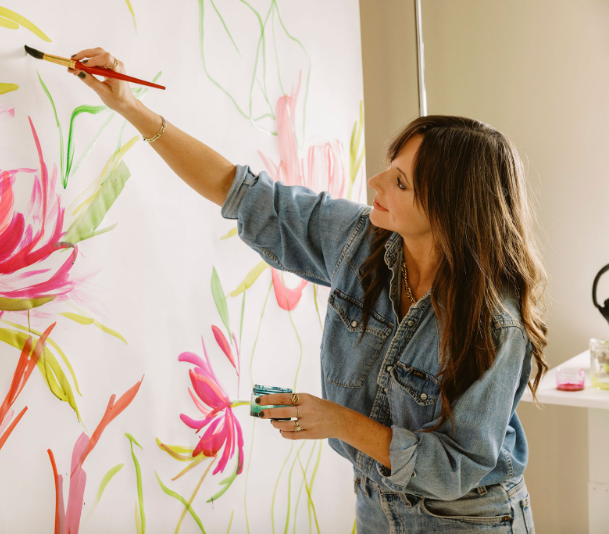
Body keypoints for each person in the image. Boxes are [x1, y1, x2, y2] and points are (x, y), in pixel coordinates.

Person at [69, 47, 547, 533]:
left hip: (469, 520)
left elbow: (453, 468)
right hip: (376, 505)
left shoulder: (496, 322)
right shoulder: (360, 240)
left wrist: (337, 421)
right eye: (390, 166)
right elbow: (240, 192)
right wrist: (129, 105)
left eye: (400, 183)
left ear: (448, 211)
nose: (376, 181)